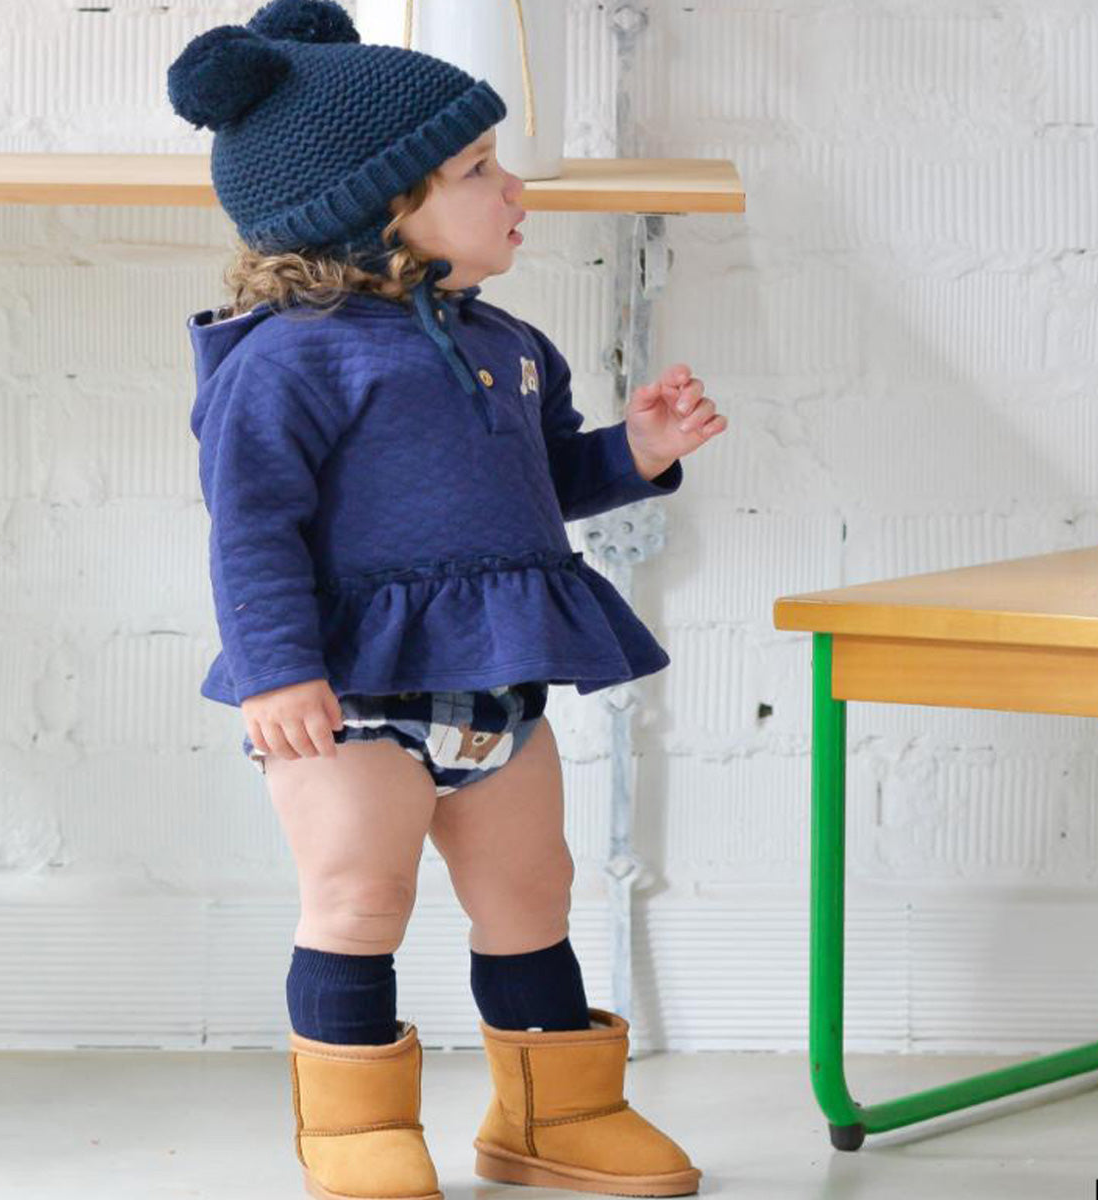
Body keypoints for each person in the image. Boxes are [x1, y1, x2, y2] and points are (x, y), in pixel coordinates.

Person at [167, 2, 727, 1197]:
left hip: (496, 684)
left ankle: (557, 1114)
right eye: (477, 170)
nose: (513, 187)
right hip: (347, 696)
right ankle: (357, 1129)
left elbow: (535, 485)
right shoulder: (288, 360)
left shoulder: (509, 343)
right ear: (376, 212)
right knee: (359, 896)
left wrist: (634, 452)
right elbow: (251, 528)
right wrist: (276, 671)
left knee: (533, 892)